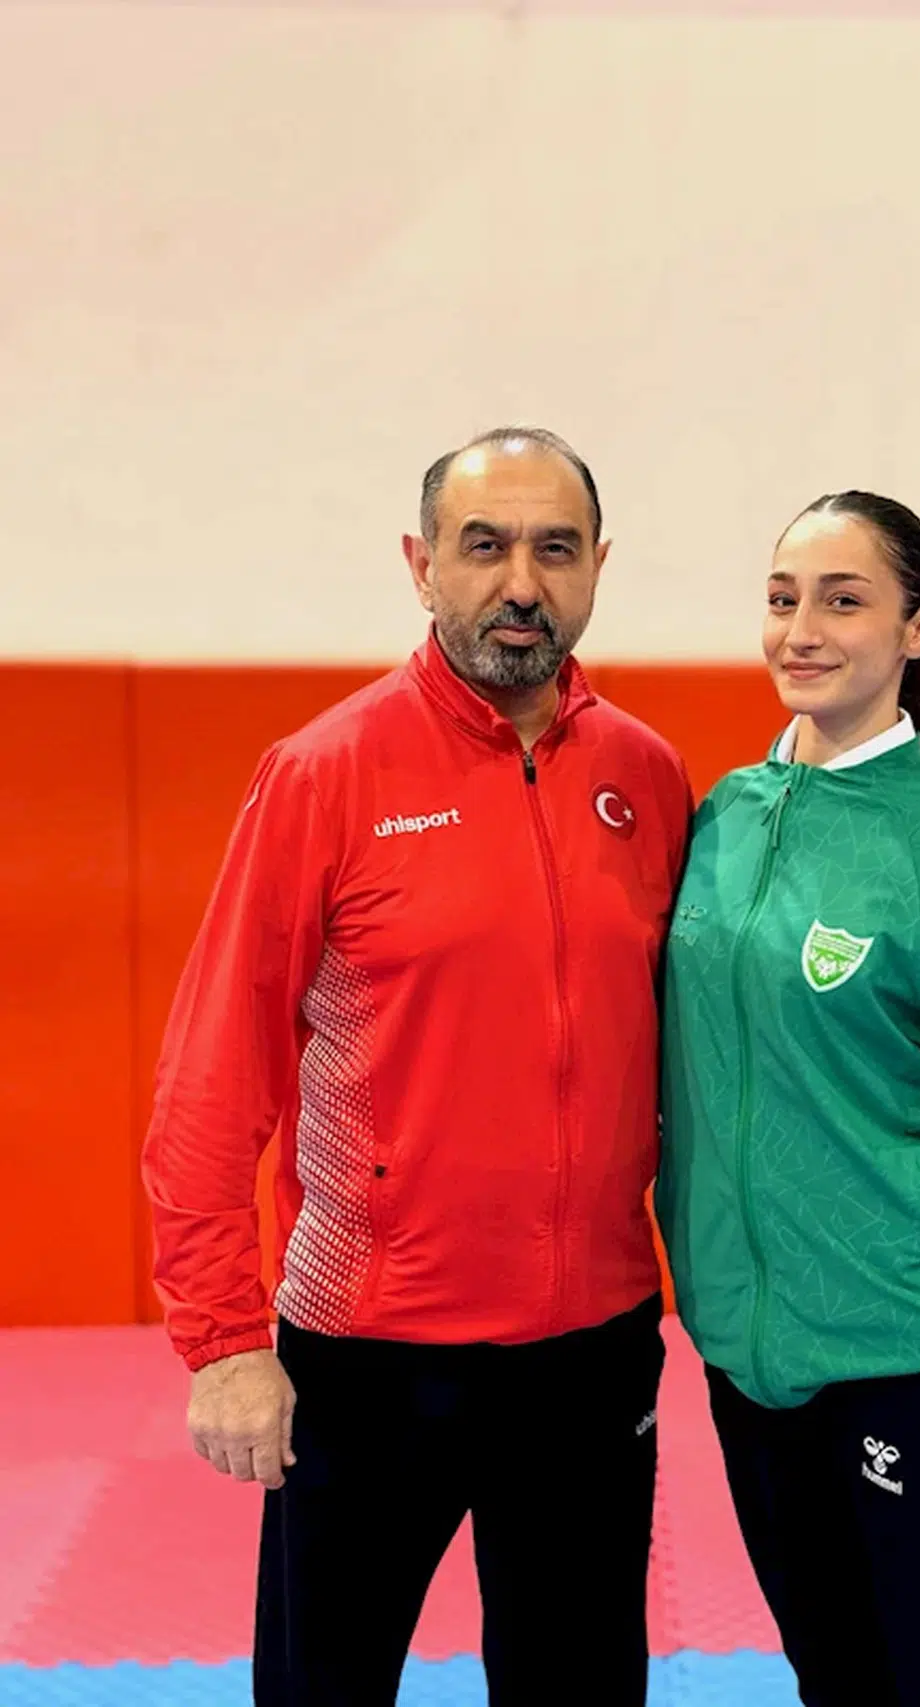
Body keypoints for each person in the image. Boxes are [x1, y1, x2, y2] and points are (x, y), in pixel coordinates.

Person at [142, 426, 692, 1707]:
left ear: (598, 565)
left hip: (591, 1352)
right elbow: (214, 1073)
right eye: (483, 546)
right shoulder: (324, 775)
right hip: (369, 1355)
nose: (521, 584)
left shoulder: (646, 776)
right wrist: (222, 1340)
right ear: (419, 563)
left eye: (555, 549)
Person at [656, 490, 920, 1706]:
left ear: (917, 629)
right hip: (750, 1368)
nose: (801, 630)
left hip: (911, 1365)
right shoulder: (719, 823)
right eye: (781, 599)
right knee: (834, 1687)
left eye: (842, 602)